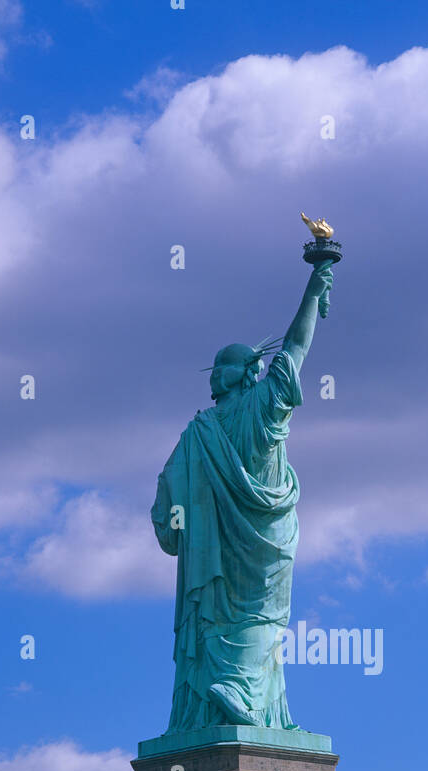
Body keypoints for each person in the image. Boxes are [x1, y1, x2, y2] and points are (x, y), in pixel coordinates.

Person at [152, 256, 335, 733]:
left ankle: (231, 695)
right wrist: (315, 289)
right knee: (259, 615)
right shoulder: (205, 429)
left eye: (221, 366)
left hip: (235, 542)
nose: (213, 374)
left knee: (234, 613)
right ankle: (242, 696)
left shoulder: (224, 421)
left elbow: (293, 346)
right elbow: (295, 349)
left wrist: (313, 291)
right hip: (268, 537)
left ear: (243, 372)